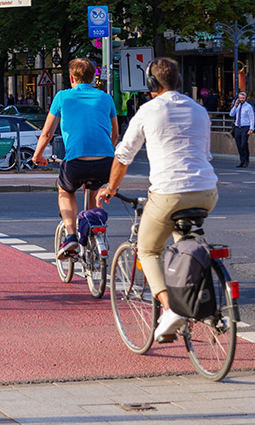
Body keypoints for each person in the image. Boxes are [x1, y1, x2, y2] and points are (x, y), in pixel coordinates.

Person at [96, 57, 218, 343]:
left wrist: (111, 188)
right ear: (179, 82)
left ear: (152, 83)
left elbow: (123, 155)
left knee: (148, 249)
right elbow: (206, 153)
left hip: (168, 193)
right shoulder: (199, 110)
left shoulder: (147, 111)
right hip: (207, 191)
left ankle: (171, 309)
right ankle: (196, 295)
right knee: (183, 240)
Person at [31, 58, 118, 259]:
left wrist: (38, 156)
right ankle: (94, 227)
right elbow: (114, 133)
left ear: (71, 77)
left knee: (65, 189)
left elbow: (47, 134)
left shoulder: (62, 97)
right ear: (93, 78)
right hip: (105, 161)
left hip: (76, 161)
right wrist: (106, 152)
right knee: (94, 188)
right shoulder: (106, 98)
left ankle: (71, 236)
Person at [229, 91, 255, 167]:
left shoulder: (248, 107)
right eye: (240, 98)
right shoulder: (237, 106)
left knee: (244, 144)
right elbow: (231, 114)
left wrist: (251, 128)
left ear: (245, 98)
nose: (241, 99)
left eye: (243, 98)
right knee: (239, 145)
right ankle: (242, 161)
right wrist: (235, 106)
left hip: (245, 127)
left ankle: (246, 159)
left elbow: (252, 118)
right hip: (237, 127)